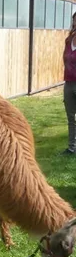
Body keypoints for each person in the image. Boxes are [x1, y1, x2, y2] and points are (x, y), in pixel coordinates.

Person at [62, 11, 76, 155]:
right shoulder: (69, 40)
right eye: (74, 21)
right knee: (71, 117)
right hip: (69, 82)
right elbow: (64, 56)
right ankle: (72, 147)